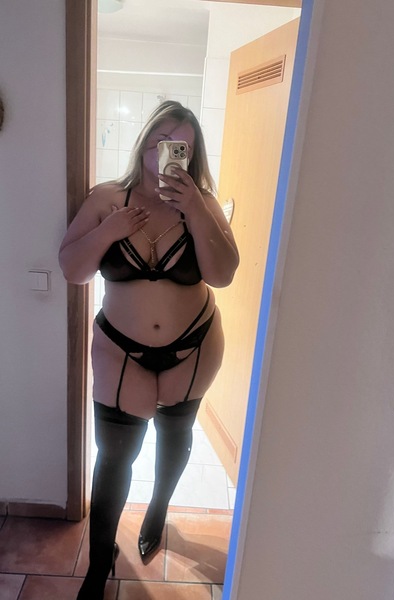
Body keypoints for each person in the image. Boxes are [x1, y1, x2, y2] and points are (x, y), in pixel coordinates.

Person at [59, 100, 239, 600]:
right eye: (161, 139)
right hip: (120, 351)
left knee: (175, 436)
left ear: (192, 155)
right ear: (145, 143)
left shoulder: (203, 204)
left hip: (194, 346)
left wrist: (196, 209)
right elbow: (72, 269)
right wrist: (109, 231)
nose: (168, 151)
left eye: (180, 145)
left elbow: (223, 275)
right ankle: (100, 560)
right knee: (115, 455)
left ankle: (158, 511)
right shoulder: (105, 199)